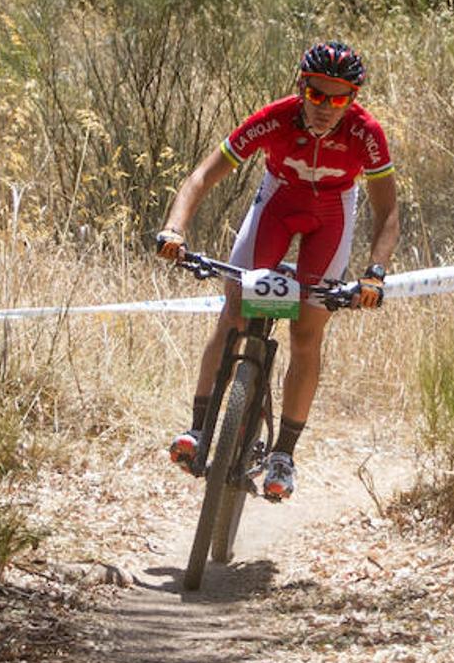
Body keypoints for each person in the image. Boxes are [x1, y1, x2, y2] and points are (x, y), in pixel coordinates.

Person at [155, 41, 399, 501]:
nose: (326, 108)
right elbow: (202, 176)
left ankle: (284, 455)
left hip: (331, 214)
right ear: (301, 87)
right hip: (278, 202)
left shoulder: (367, 133)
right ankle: (200, 430)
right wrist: (174, 230)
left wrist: (374, 273)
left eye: (339, 97)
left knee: (307, 332)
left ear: (354, 98)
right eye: (317, 95)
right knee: (233, 310)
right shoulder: (275, 118)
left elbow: (387, 212)